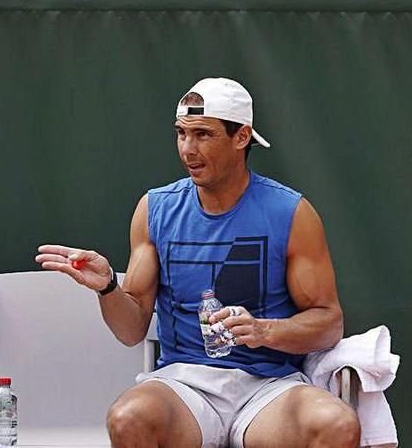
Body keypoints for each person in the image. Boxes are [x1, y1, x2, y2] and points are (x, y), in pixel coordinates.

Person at [37, 77, 360, 447]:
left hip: (270, 388)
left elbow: (329, 323)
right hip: (186, 386)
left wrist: (264, 331)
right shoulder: (154, 209)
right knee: (129, 418)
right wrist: (109, 286)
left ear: (241, 137)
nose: (188, 149)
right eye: (181, 134)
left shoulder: (292, 212)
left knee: (337, 424)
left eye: (204, 135)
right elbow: (130, 331)